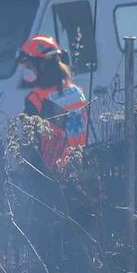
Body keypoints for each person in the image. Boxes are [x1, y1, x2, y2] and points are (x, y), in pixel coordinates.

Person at [19, 34, 88, 171]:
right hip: (79, 165)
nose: (27, 69)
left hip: (51, 172)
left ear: (43, 65)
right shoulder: (76, 92)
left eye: (30, 65)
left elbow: (31, 146)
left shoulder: (36, 99)